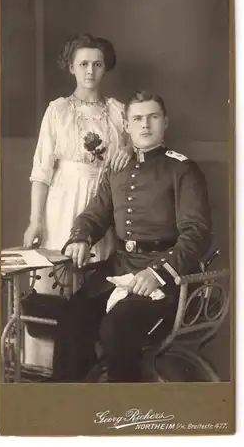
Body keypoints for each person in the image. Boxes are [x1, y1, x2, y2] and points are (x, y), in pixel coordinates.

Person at [52, 90, 212, 383]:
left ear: (166, 122)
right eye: (137, 118)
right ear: (126, 126)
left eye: (153, 117)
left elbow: (196, 234)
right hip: (119, 266)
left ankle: (123, 412)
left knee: (116, 328)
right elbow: (94, 215)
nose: (145, 125)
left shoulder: (182, 169)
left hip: (164, 276)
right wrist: (81, 237)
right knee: (72, 321)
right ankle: (70, 409)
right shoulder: (118, 169)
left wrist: (159, 272)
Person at [23, 34, 133, 368]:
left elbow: (138, 157)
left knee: (95, 287)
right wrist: (35, 220)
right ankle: (45, 370)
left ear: (105, 69)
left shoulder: (119, 112)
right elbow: (41, 171)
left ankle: (90, 369)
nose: (90, 71)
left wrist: (127, 149)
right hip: (62, 202)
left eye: (97, 64)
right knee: (56, 283)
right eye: (83, 64)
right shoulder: (57, 110)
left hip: (102, 206)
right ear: (71, 67)